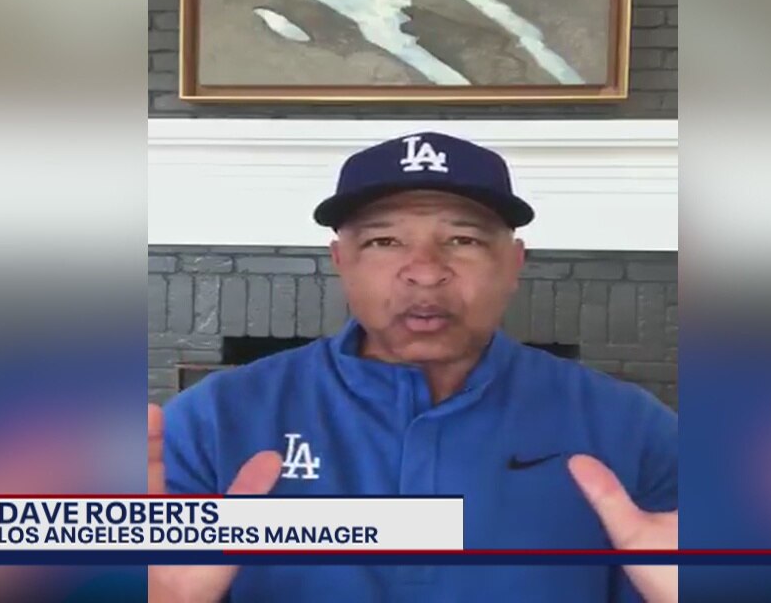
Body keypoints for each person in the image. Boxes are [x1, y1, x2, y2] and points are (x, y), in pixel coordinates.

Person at [147, 131, 679, 603]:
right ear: (341, 262)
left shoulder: (631, 426)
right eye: (384, 241)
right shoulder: (216, 417)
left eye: (463, 240)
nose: (425, 272)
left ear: (514, 263)